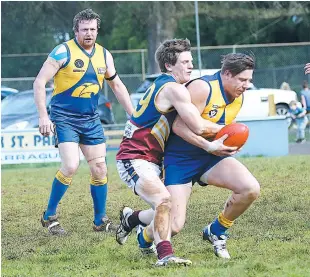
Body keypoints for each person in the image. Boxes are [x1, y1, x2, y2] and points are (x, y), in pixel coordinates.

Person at [115, 39, 237, 266]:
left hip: (153, 158)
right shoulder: (173, 89)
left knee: (172, 217)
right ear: (169, 66)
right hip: (134, 157)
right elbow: (199, 126)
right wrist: (229, 131)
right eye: (185, 62)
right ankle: (165, 255)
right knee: (163, 201)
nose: (191, 66)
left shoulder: (164, 84)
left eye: (191, 61)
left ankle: (132, 219)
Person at [33, 9, 134, 235]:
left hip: (90, 119)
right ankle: (49, 216)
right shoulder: (62, 52)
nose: (89, 33)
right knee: (70, 166)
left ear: (97, 30)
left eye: (92, 29)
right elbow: (39, 82)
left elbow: (117, 86)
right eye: (84, 29)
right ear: (76, 30)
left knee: (99, 168)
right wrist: (43, 115)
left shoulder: (105, 55)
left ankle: (100, 221)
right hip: (64, 118)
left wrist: (133, 115)